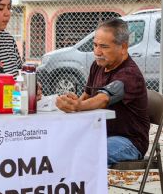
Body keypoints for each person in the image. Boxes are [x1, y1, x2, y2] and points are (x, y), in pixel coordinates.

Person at [55, 18, 149, 166]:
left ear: (123, 47)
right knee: (59, 146)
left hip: (129, 141)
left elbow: (104, 98)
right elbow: (86, 96)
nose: (97, 52)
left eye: (104, 46)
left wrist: (78, 106)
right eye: (95, 45)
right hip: (100, 134)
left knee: (84, 155)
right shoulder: (97, 65)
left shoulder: (130, 74)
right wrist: (75, 102)